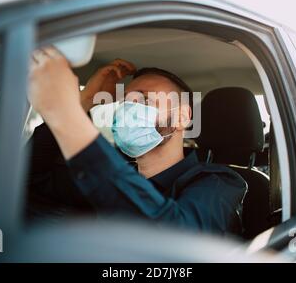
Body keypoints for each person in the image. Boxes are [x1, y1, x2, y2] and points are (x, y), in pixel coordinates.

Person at [26, 46, 247, 235]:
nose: (129, 110)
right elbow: (26, 179)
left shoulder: (219, 184)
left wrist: (67, 114)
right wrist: (85, 101)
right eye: (125, 101)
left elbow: (174, 242)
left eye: (145, 100)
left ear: (182, 117)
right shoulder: (110, 174)